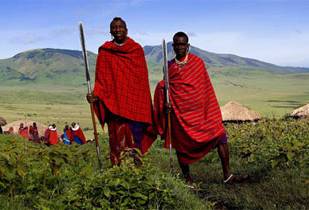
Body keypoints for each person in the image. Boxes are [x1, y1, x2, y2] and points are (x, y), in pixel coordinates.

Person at [152, 32, 248, 185]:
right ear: (172, 46)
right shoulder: (168, 66)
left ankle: (227, 176)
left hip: (200, 114)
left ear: (188, 46)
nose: (180, 47)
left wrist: (206, 110)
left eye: (183, 44)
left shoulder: (197, 63)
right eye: (177, 44)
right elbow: (166, 88)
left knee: (220, 134)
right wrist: (166, 104)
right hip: (179, 114)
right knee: (181, 146)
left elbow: (205, 90)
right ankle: (188, 180)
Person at [87, 17, 156, 166]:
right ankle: (117, 172)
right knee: (116, 142)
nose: (117, 30)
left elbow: (141, 83)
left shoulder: (136, 50)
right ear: (110, 31)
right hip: (113, 107)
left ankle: (137, 173)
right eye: (114, 28)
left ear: (127, 30)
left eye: (120, 27)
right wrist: (95, 95)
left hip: (134, 107)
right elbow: (101, 80)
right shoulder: (105, 51)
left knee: (135, 143)